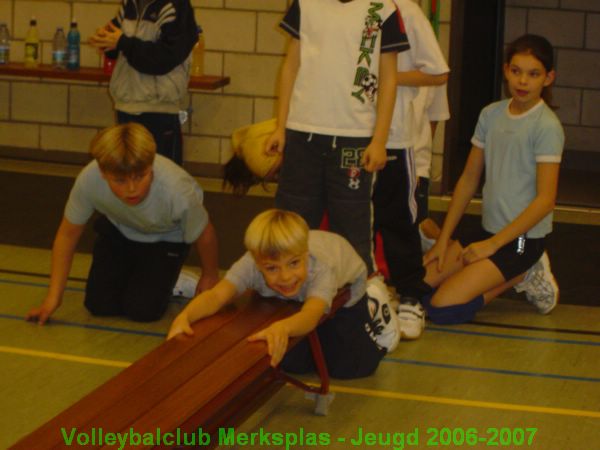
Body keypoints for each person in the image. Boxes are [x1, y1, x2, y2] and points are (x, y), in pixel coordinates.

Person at [421, 34, 563, 325]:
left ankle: (523, 273)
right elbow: (469, 179)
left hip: (523, 240)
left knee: (440, 308)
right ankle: (492, 268)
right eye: (516, 71)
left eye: (533, 74)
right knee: (416, 288)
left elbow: (546, 201)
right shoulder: (491, 115)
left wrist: (493, 246)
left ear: (548, 78)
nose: (523, 81)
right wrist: (443, 241)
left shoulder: (547, 126)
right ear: (506, 70)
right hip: (489, 232)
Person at [264, 0, 410, 274]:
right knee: (290, 226)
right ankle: (284, 299)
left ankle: (360, 301)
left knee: (352, 228)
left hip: (354, 138)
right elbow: (290, 66)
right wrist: (280, 127)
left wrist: (379, 140)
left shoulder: (384, 9)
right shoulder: (306, 5)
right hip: (302, 133)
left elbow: (389, 78)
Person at [167, 209, 400, 378]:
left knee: (348, 368)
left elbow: (311, 315)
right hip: (295, 299)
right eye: (271, 268)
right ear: (258, 262)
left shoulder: (321, 268)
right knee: (290, 362)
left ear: (305, 255)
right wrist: (185, 317)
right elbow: (217, 296)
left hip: (347, 292)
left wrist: (284, 327)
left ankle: (376, 301)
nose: (286, 277)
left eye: (293, 263)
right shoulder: (251, 262)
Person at [25, 123, 219, 325]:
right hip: (120, 230)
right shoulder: (89, 180)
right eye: (119, 181)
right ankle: (143, 274)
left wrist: (210, 276)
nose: (132, 189)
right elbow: (67, 235)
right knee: (99, 306)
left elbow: (205, 233)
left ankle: (175, 278)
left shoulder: (177, 190)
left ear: (151, 165)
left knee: (142, 311)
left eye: (140, 177)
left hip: (166, 238)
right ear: (103, 172)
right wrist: (52, 299)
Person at [372, 0, 449, 339]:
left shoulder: (405, 10)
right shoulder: (340, 9)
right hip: (349, 133)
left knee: (400, 221)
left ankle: (410, 295)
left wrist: (387, 76)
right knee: (356, 220)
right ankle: (367, 293)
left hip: (394, 138)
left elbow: (438, 72)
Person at [89, 0, 199, 165]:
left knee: (161, 177)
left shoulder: (176, 6)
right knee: (127, 175)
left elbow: (162, 59)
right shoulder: (129, 4)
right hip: (126, 105)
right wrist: (105, 41)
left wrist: (122, 42)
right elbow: (118, 46)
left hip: (158, 111)